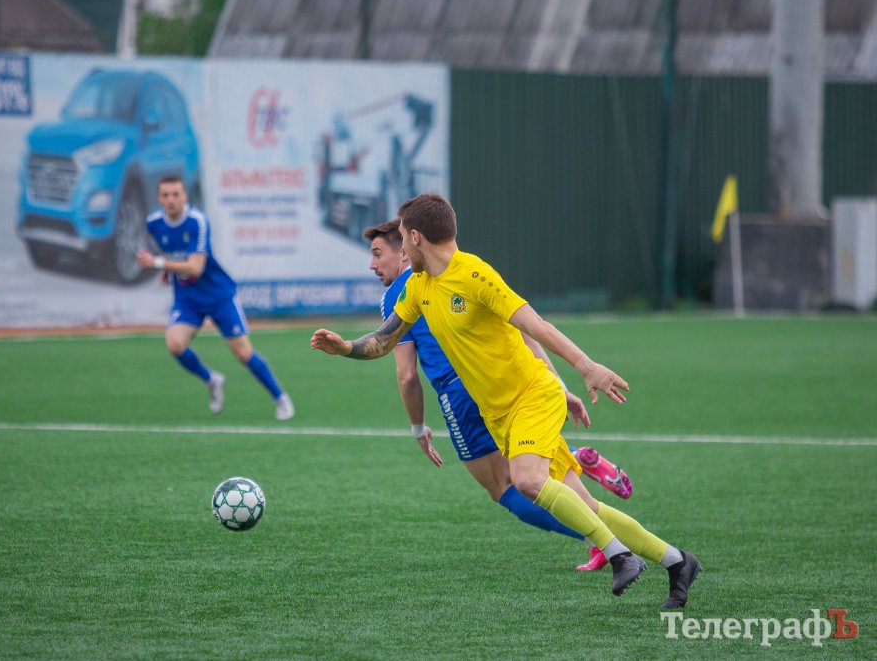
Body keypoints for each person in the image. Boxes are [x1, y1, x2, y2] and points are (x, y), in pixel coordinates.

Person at [313, 194, 700, 608]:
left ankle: (618, 554)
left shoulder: (475, 274)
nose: (403, 250)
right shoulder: (419, 287)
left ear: (417, 237)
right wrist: (346, 348)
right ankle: (677, 561)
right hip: (499, 414)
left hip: (532, 395)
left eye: (404, 239)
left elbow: (535, 325)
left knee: (526, 481)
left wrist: (586, 367)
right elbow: (384, 339)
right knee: (586, 506)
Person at [363, 218, 633, 572]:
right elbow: (522, 329)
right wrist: (559, 385)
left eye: (378, 253)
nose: (372, 264)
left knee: (503, 486)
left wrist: (418, 427)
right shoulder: (467, 271)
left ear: (407, 247)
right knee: (531, 463)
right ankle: (577, 462)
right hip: (513, 380)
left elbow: (407, 374)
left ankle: (597, 538)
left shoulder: (401, 294)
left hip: (460, 394)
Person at [137, 175, 294, 420]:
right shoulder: (154, 223)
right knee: (175, 344)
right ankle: (212, 380)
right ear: (159, 198)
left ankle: (280, 397)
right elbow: (173, 253)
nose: (171, 200)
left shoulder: (197, 221)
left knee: (243, 352)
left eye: (176, 194)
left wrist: (159, 264)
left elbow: (196, 267)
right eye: (165, 195)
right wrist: (169, 269)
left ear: (185, 196)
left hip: (218, 295)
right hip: (188, 299)